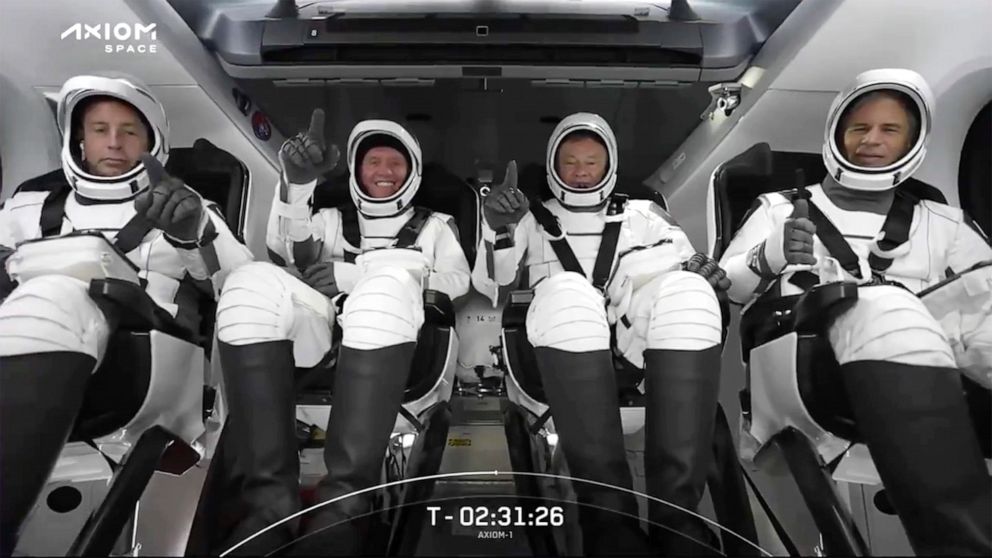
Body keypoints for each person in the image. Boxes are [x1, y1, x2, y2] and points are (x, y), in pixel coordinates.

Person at [719, 68, 991, 555]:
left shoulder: (944, 221)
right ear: (837, 133)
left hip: (943, 359)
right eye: (859, 128)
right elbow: (728, 289)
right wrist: (770, 254)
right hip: (812, 362)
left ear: (913, 140)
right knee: (888, 304)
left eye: (890, 129)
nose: (871, 140)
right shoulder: (779, 209)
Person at [0, 72, 252, 555]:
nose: (113, 142)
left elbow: (241, 289)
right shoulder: (26, 207)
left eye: (129, 131)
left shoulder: (189, 207)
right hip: (27, 357)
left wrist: (192, 236)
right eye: (100, 129)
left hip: (143, 370)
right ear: (79, 137)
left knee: (56, 295)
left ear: (152, 142)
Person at [213, 110, 470, 554]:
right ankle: (268, 507)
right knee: (249, 282)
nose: (384, 171)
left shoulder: (435, 226)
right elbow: (287, 253)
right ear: (356, 169)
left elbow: (457, 284)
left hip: (403, 343)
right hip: (320, 339)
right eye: (374, 162)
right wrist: (296, 188)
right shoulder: (331, 219)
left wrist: (355, 275)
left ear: (412, 172)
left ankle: (342, 508)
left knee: (387, 286)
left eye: (395, 162)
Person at [473, 112, 730, 555]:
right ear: (553, 167)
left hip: (638, 348)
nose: (580, 172)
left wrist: (700, 271)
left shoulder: (644, 214)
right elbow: (493, 284)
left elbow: (686, 263)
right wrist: (498, 229)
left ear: (609, 165)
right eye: (570, 162)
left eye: (591, 162)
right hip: (560, 346)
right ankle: (608, 524)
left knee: (688, 292)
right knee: (568, 291)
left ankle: (677, 522)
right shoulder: (528, 219)